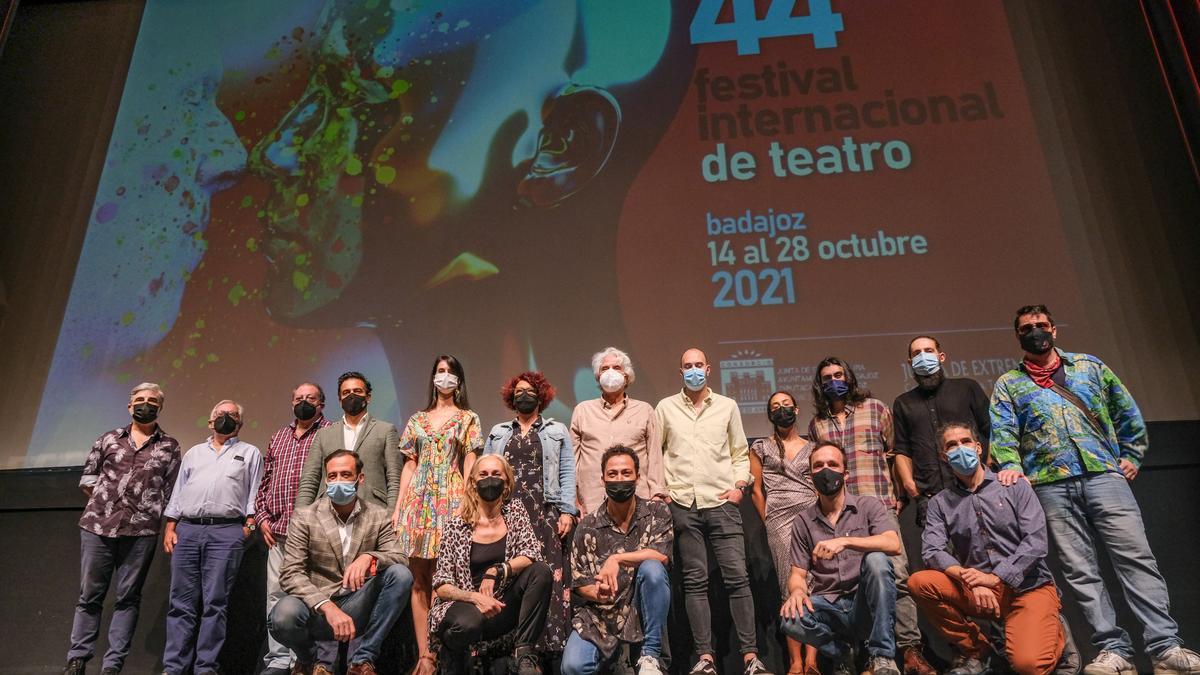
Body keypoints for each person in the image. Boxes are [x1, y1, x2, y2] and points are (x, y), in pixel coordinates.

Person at [991, 305, 1200, 675]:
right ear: (1018, 336)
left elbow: (1126, 411)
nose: (1035, 331)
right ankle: (1113, 650)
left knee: (1136, 560)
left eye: (1041, 325)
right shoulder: (1010, 383)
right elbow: (1003, 432)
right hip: (1050, 485)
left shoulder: (1089, 366)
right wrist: (1010, 465)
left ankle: (1164, 646)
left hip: (1104, 476)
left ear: (1054, 330)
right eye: (1026, 328)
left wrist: (1132, 454)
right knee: (1080, 571)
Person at [808, 357, 931, 675]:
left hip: (877, 506)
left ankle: (908, 651)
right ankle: (865, 655)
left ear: (849, 377)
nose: (833, 380)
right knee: (849, 583)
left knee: (897, 576)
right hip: (840, 512)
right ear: (820, 386)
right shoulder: (818, 424)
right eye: (827, 377)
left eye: (839, 374)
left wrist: (899, 496)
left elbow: (895, 452)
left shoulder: (875, 409)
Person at [910, 422, 1063, 675]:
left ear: (978, 447)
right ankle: (978, 651)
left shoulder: (1014, 485)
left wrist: (994, 577)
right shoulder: (940, 503)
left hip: (1028, 588)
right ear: (943, 456)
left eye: (965, 442)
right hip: (980, 591)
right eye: (951, 445)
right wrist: (970, 579)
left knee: (1029, 666)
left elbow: (1035, 542)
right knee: (920, 582)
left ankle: (1053, 631)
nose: (960, 448)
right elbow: (932, 551)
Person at [656, 347, 772, 675]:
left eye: (698, 365)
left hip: (721, 501)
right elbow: (657, 453)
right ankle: (705, 658)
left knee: (737, 578)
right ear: (680, 372)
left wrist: (739, 485)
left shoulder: (727, 406)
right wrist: (664, 492)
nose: (693, 370)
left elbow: (739, 451)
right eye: (687, 366)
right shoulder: (665, 407)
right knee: (694, 582)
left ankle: (750, 657)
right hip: (682, 504)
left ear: (709, 369)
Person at [63, 383, 181, 675]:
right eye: (139, 400)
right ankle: (77, 660)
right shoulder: (109, 439)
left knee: (128, 599)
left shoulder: (169, 446)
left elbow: (172, 491)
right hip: (97, 527)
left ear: (159, 408)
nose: (145, 404)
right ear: (130, 407)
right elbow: (88, 478)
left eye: (151, 401)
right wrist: (109, 502)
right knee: (89, 596)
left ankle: (113, 666)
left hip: (140, 533)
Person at [269, 450, 414, 675]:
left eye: (345, 475)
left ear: (360, 478)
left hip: (358, 601)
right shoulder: (305, 516)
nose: (338, 481)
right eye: (332, 476)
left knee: (400, 574)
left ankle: (362, 659)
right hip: (317, 606)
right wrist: (327, 607)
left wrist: (370, 557)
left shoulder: (377, 514)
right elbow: (290, 573)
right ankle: (310, 659)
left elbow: (400, 556)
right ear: (326, 479)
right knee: (282, 615)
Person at [392, 355, 484, 674]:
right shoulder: (417, 419)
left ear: (459, 379)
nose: (444, 376)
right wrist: (400, 506)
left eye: (450, 371)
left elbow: (471, 459)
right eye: (440, 371)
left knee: (445, 579)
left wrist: (467, 499)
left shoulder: (467, 418)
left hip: (452, 497)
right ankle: (424, 655)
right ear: (433, 377)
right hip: (419, 500)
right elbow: (409, 463)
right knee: (419, 580)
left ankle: (444, 650)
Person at [779, 442, 902, 675]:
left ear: (845, 473)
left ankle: (882, 657)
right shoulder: (803, 521)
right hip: (829, 606)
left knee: (877, 559)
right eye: (819, 466)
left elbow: (892, 543)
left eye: (833, 464)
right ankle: (842, 652)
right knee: (789, 619)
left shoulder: (868, 506)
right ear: (810, 476)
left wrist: (844, 541)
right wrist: (797, 592)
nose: (826, 470)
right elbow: (798, 574)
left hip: (863, 602)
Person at [162, 400, 263, 675]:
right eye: (220, 414)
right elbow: (178, 492)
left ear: (240, 423)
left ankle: (206, 668)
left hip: (227, 532)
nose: (225, 418)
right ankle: (174, 668)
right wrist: (171, 526)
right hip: (188, 530)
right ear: (210, 421)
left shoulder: (250, 453)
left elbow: (255, 493)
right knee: (180, 603)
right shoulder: (194, 453)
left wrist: (249, 527)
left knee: (215, 603)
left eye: (231, 415)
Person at [483, 371, 578, 662]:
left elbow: (566, 472)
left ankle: (546, 649)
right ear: (511, 397)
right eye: (519, 391)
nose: (524, 395)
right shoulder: (499, 432)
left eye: (530, 391)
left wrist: (567, 511)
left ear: (542, 396)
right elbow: (486, 470)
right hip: (508, 514)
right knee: (512, 576)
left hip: (545, 514)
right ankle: (510, 647)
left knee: (547, 577)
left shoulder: (556, 430)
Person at [429, 454, 553, 675]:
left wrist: (497, 570)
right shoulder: (456, 525)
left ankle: (524, 654)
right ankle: (454, 656)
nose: (490, 479)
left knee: (541, 571)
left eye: (496, 474)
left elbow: (532, 553)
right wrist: (475, 597)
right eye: (483, 474)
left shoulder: (514, 511)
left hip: (502, 605)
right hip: (467, 608)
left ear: (507, 481)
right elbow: (441, 584)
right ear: (473, 482)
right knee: (469, 623)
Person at [562, 445, 673, 675]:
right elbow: (580, 582)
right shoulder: (587, 526)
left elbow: (660, 555)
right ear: (602, 478)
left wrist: (617, 559)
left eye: (626, 473)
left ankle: (650, 656)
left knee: (652, 569)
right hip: (602, 616)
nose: (619, 479)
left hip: (641, 610)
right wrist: (598, 592)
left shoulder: (656, 511)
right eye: (612, 474)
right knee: (572, 667)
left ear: (637, 477)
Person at [255, 382, 333, 675]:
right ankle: (278, 661)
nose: (304, 402)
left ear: (321, 404)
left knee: (313, 598)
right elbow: (265, 483)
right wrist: (262, 517)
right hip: (277, 532)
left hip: (315, 533)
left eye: (310, 398)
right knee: (275, 596)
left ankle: (308, 659)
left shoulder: (330, 433)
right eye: (298, 398)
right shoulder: (278, 437)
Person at [750, 391, 819, 675]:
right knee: (787, 585)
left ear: (797, 410)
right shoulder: (761, 447)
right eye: (775, 407)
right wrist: (769, 521)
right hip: (778, 519)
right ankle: (795, 661)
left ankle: (812, 661)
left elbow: (818, 484)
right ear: (769, 414)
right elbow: (755, 490)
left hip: (811, 516)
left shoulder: (813, 447)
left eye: (786, 405)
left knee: (814, 583)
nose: (782, 410)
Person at [891, 337, 991, 527]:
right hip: (931, 497)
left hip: (975, 489)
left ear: (941, 356)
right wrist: (910, 487)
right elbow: (902, 450)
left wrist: (989, 470)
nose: (923, 356)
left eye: (928, 351)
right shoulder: (903, 403)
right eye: (916, 353)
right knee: (939, 555)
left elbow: (992, 431)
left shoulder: (967, 388)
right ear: (910, 363)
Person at [570, 347, 665, 515]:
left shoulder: (645, 410)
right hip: (592, 502)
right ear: (598, 376)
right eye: (605, 369)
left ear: (626, 376)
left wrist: (657, 495)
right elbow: (572, 460)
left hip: (639, 501)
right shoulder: (582, 411)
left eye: (617, 368)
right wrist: (573, 500)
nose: (610, 372)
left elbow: (655, 456)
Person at [296, 371, 401, 511]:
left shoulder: (386, 430)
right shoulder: (323, 434)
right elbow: (309, 480)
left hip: (373, 512)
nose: (352, 395)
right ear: (340, 400)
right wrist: (300, 517)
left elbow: (395, 478)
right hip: (327, 513)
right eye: (346, 392)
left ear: (368, 397)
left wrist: (391, 514)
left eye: (357, 391)